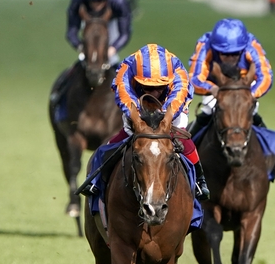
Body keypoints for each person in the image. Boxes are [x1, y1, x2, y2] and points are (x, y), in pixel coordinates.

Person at [79, 44, 210, 200]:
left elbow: (178, 97)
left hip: (171, 109)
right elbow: (124, 95)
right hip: (139, 108)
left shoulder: (178, 71)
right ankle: (96, 179)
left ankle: (199, 182)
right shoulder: (126, 70)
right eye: (147, 87)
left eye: (159, 87)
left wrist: (165, 117)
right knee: (119, 139)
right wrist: (138, 116)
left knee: (184, 140)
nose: (154, 92)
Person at [186, 18, 275, 174]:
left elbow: (266, 76)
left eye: (236, 54)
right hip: (217, 87)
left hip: (243, 86)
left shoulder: (251, 45)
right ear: (216, 49)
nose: (230, 58)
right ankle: (186, 154)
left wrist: (249, 94)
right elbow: (195, 78)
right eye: (224, 54)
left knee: (251, 111)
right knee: (208, 110)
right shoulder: (205, 44)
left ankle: (273, 156)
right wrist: (212, 89)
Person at [51, 0, 133, 107]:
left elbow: (125, 33)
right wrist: (80, 47)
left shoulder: (118, 0)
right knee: (85, 60)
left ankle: (134, 105)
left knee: (112, 61)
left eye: (100, 0)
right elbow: (71, 31)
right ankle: (60, 94)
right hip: (87, 23)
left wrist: (113, 48)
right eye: (92, 0)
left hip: (110, 25)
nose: (96, 4)